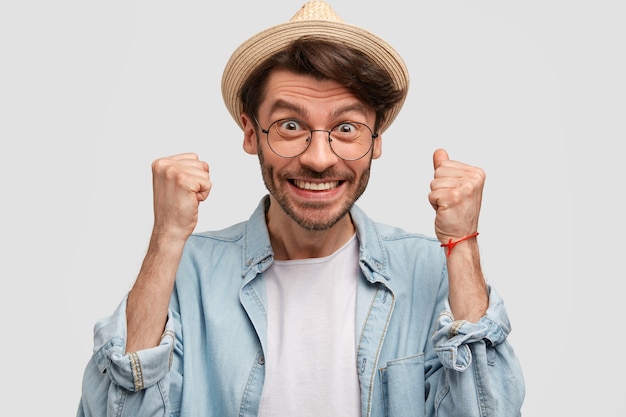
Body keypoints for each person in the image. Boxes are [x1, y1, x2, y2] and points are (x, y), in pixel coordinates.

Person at [77, 1, 525, 416]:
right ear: (251, 133)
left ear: (376, 140)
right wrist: (166, 238)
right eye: (290, 125)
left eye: (346, 127)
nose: (319, 158)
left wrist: (462, 244)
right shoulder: (186, 271)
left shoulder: (431, 270)